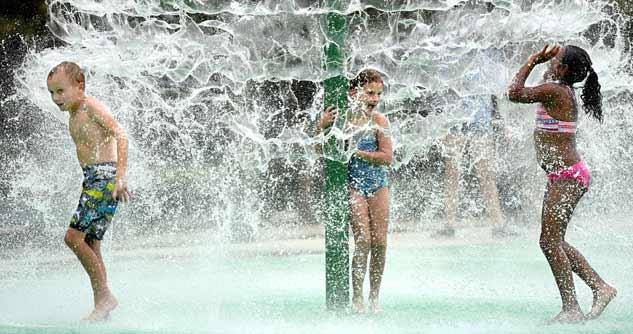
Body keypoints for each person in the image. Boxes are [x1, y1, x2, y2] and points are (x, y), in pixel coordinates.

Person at [508, 44, 616, 323]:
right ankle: (600, 287)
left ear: (563, 69)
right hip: (564, 176)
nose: (549, 62)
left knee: (549, 242)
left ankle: (571, 308)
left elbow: (514, 93)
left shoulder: (555, 90)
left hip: (568, 177)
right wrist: (542, 62)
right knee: (553, 241)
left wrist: (531, 60)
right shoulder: (557, 89)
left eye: (553, 60)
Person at [46, 61, 130, 321]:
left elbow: (121, 134)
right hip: (94, 178)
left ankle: (105, 296)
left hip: (104, 178)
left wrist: (120, 177)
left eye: (60, 91)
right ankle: (102, 305)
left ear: (79, 87)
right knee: (92, 242)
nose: (56, 98)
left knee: (72, 238)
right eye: (51, 93)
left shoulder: (90, 106)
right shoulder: (74, 113)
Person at [317, 69, 393, 314]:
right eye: (369, 93)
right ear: (354, 92)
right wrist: (321, 126)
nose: (374, 99)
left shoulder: (379, 121)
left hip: (378, 185)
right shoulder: (343, 120)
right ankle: (358, 297)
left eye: (378, 94)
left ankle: (374, 297)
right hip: (355, 185)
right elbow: (322, 152)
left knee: (380, 242)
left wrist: (357, 153)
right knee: (363, 241)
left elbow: (387, 157)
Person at [435, 91, 512, 237]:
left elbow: (492, 94)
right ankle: (449, 223)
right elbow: (443, 86)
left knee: (487, 174)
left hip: (481, 122)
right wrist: (440, 124)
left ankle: (497, 223)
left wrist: (502, 123)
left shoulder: (485, 68)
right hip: (455, 120)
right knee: (452, 173)